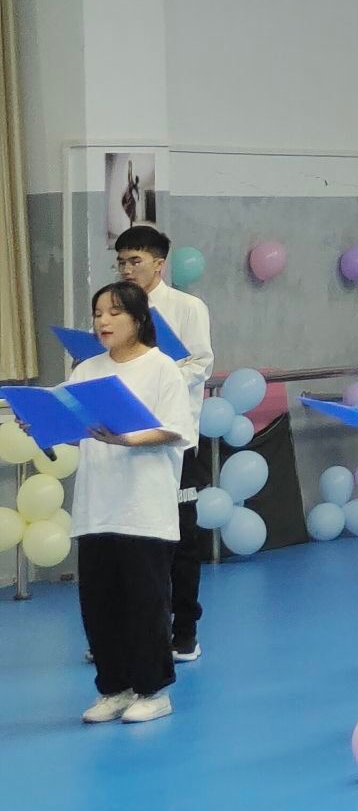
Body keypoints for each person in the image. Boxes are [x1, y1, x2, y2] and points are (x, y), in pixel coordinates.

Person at [71, 280, 193, 725]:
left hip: (143, 507)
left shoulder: (162, 368)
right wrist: (45, 425)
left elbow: (177, 429)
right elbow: (77, 428)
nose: (102, 321)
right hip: (95, 506)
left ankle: (152, 691)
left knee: (145, 603)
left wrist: (127, 439)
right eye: (97, 313)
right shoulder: (86, 371)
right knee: (99, 605)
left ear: (139, 319)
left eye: (113, 312)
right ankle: (114, 689)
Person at [112, 227, 213, 664]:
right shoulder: (114, 308)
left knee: (181, 539)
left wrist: (155, 375)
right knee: (126, 536)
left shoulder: (187, 307)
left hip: (174, 439)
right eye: (121, 262)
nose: (127, 269)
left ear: (159, 263)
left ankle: (184, 631)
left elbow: (200, 364)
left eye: (135, 261)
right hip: (124, 438)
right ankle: (125, 630)